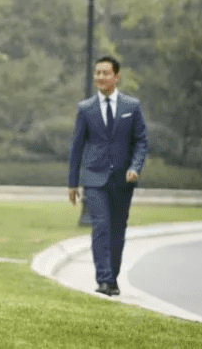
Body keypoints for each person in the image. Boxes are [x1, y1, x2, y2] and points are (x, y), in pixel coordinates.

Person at [67, 55, 149, 297]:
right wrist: (73, 182)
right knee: (101, 226)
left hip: (123, 180)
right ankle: (103, 279)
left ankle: (112, 277)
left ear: (116, 77)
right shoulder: (85, 109)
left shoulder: (132, 107)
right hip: (94, 178)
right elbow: (76, 146)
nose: (100, 77)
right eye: (97, 73)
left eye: (105, 73)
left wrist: (135, 167)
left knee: (117, 230)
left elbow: (141, 141)